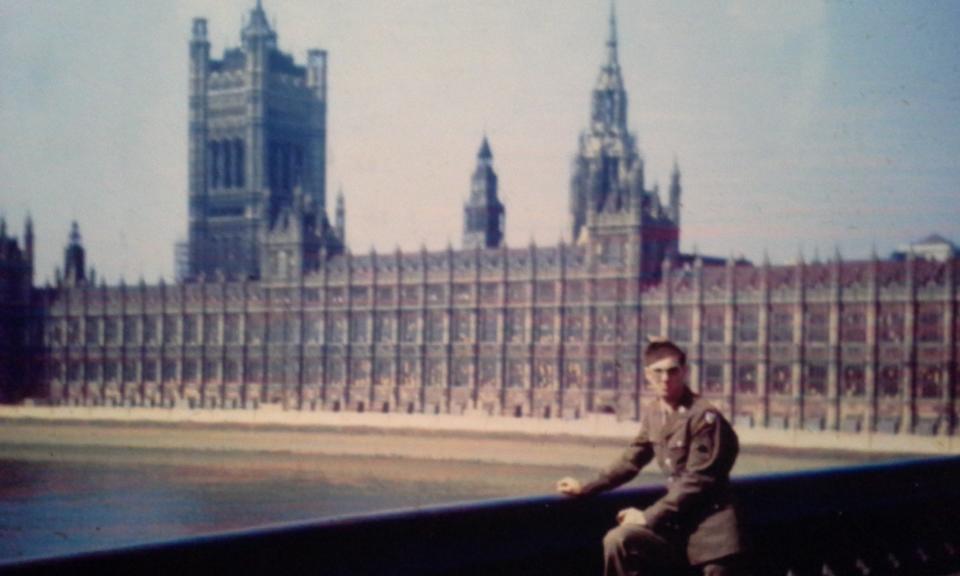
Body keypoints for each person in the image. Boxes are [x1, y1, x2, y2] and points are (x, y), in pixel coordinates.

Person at [556, 339, 742, 576]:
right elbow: (631, 460)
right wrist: (585, 486)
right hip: (677, 531)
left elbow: (698, 480)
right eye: (658, 372)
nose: (665, 378)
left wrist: (646, 517)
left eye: (673, 371)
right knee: (619, 540)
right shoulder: (655, 413)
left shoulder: (704, 417)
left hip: (713, 542)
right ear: (647, 375)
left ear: (684, 372)